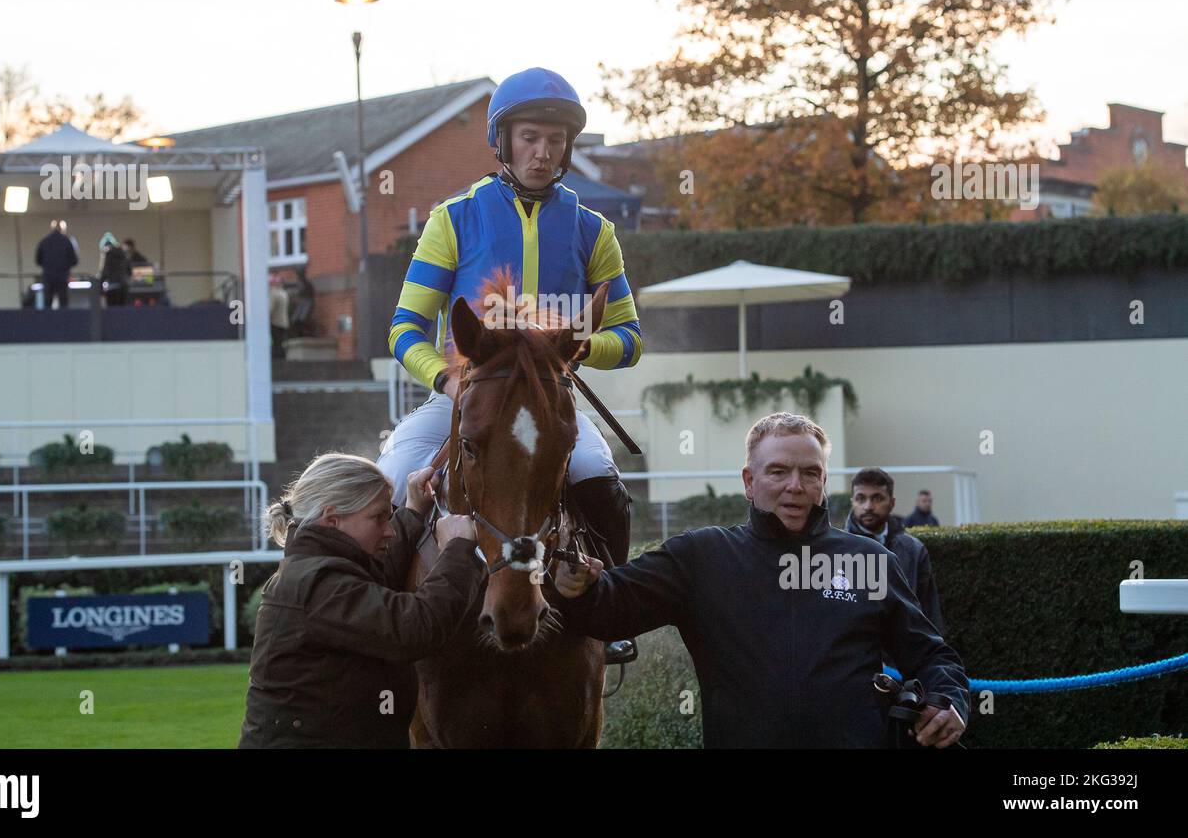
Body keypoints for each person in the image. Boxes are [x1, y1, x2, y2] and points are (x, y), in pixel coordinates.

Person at [378, 67, 642, 660]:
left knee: (603, 485)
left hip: (551, 401)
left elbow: (628, 339)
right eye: (529, 137)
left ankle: (613, 618)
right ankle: (380, 622)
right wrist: (447, 380)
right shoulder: (453, 219)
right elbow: (403, 329)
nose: (542, 153)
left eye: (555, 141)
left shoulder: (594, 230)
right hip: (463, 399)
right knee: (392, 479)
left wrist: (572, 346)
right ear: (502, 141)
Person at [555, 412, 969, 748]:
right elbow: (611, 608)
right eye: (778, 471)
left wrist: (949, 700)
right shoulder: (702, 556)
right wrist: (577, 588)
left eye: (810, 473)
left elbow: (933, 657)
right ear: (749, 482)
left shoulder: (870, 561)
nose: (795, 486)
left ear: (824, 483)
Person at [239, 454, 486, 748]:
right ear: (332, 519)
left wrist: (414, 512)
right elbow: (415, 628)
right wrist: (458, 550)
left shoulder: (316, 571)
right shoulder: (319, 585)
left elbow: (378, 579)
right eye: (378, 517)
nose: (389, 530)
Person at [846, 468, 944, 633]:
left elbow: (929, 613)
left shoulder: (914, 550)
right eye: (860, 498)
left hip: (903, 653)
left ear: (892, 502)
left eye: (877, 498)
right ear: (852, 502)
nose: (868, 506)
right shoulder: (836, 549)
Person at [34, 219, 78, 309]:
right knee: (63, 304)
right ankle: (65, 322)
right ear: (63, 229)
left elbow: (38, 260)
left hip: (48, 277)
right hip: (62, 277)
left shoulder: (44, 241)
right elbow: (74, 260)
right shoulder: (67, 241)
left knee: (47, 304)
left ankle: (47, 322)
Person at [98, 232, 130, 307]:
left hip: (112, 288)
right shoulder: (123, 254)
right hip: (123, 287)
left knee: (112, 314)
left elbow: (105, 272)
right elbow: (129, 270)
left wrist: (100, 289)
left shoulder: (109, 255)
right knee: (122, 313)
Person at [268, 271, 289, 359]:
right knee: (280, 343)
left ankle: (277, 362)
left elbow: (270, 309)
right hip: (283, 322)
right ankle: (282, 359)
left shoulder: (273, 293)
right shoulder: (284, 293)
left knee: (275, 344)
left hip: (275, 323)